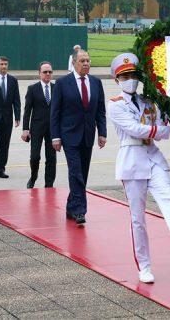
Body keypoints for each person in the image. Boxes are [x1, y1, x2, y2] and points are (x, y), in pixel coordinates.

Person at [107, 53, 170, 283]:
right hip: (132, 160)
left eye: (133, 75)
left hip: (153, 156)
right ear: (117, 80)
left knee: (168, 195)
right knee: (138, 218)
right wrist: (165, 131)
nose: (130, 79)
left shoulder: (148, 101)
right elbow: (136, 129)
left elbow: (162, 122)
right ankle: (144, 266)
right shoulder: (115, 104)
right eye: (125, 76)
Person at [51, 49, 106, 225]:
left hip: (88, 135)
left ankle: (71, 205)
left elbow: (100, 111)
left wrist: (102, 133)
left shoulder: (96, 82)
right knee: (75, 172)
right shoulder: (62, 83)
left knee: (83, 173)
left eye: (88, 60)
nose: (86, 64)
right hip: (69, 136)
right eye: (82, 61)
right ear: (74, 63)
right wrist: (55, 136)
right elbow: (55, 112)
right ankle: (80, 211)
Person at [21, 61, 56, 188]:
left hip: (52, 129)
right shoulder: (32, 89)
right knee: (35, 156)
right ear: (39, 73)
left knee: (51, 157)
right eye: (45, 72)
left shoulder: (56, 88)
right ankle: (33, 177)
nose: (48, 74)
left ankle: (49, 183)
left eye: (50, 72)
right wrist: (25, 129)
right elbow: (27, 111)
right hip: (36, 128)